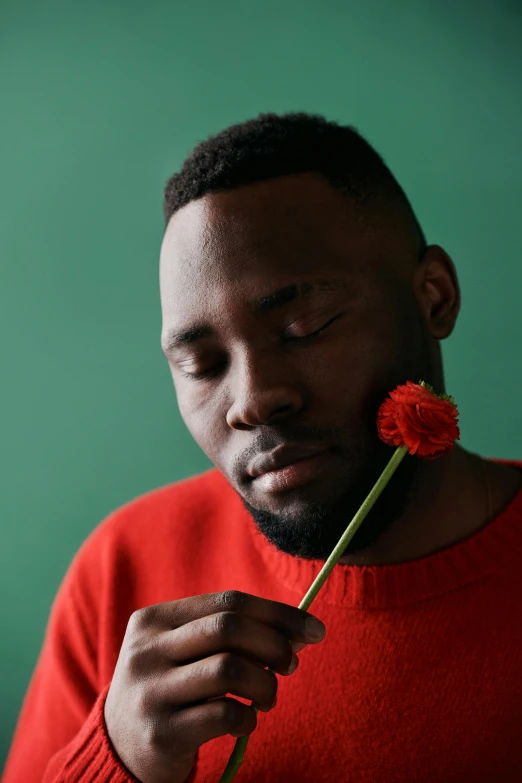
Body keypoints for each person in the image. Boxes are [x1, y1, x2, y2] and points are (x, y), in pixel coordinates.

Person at [3, 112, 522, 783]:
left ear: (435, 296)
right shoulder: (122, 569)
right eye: (203, 364)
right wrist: (118, 757)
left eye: (305, 326)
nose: (253, 398)